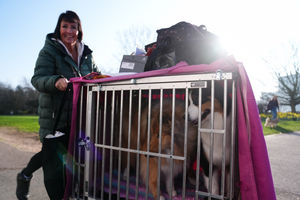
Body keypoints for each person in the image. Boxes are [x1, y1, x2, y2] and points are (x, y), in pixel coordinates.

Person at [16, 10, 99, 200]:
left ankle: (24, 175)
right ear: (58, 28)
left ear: (79, 30)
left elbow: (95, 74)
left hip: (79, 116)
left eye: (73, 27)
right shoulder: (49, 51)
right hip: (55, 116)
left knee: (57, 155)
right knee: (54, 167)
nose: (69, 31)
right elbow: (37, 79)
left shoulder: (87, 53)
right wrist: (55, 81)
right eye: (65, 26)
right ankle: (28, 179)